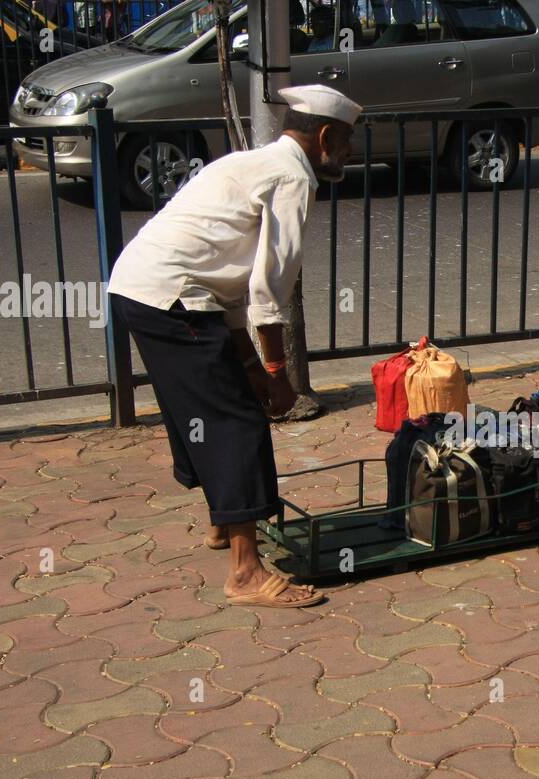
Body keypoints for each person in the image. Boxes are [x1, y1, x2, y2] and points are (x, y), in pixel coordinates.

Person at [106, 85, 363, 610]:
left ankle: (225, 526)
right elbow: (269, 291)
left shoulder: (248, 161)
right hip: (174, 297)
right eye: (347, 143)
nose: (349, 154)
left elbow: (222, 280)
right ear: (326, 136)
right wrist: (275, 376)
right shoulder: (293, 177)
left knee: (196, 409)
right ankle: (245, 571)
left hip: (139, 288)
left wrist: (249, 364)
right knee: (237, 421)